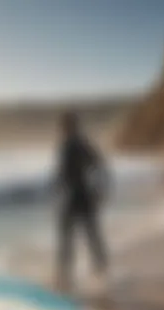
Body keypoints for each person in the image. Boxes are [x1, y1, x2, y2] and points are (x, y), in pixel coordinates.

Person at [54, 110, 110, 295]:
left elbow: (62, 175)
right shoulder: (82, 144)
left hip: (72, 198)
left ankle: (64, 278)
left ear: (66, 126)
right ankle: (102, 271)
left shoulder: (68, 145)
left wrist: (56, 191)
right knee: (91, 235)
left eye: (63, 125)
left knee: (67, 238)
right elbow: (99, 164)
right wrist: (99, 190)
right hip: (85, 195)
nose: (62, 129)